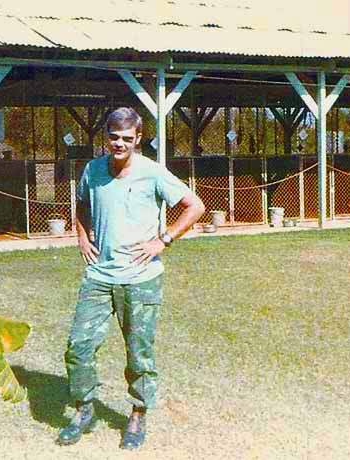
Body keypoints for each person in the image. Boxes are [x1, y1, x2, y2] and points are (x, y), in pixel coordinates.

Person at [57, 107, 205, 449]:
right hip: (98, 276)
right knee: (78, 346)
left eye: (127, 139)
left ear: (138, 140)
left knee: (139, 352)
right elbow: (82, 205)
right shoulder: (92, 170)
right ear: (105, 136)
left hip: (141, 278)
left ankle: (138, 413)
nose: (119, 144)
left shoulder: (152, 173)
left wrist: (162, 240)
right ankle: (83, 409)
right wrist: (82, 235)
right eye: (113, 137)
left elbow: (194, 206)